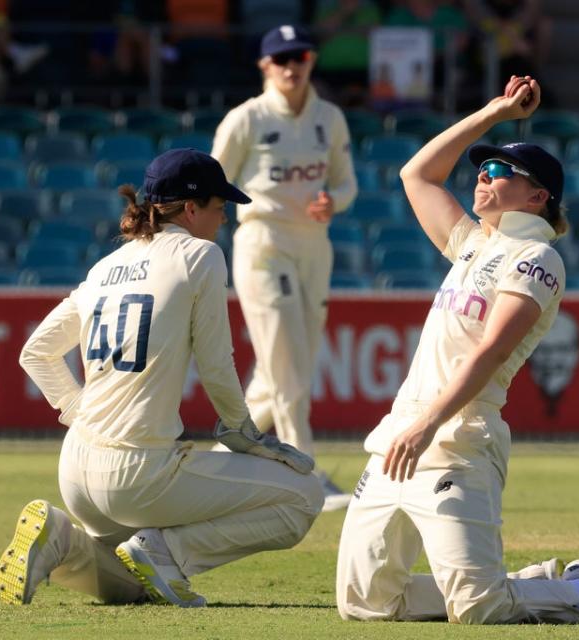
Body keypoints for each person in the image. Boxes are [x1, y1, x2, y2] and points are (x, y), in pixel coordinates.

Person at [335, 75, 579, 625]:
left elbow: (491, 351)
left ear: (538, 196)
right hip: (400, 434)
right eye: (482, 168)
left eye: (497, 171)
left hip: (458, 439)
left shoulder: (538, 257)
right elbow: (416, 174)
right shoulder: (472, 244)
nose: (482, 176)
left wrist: (428, 425)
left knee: (478, 608)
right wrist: (493, 113)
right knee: (365, 603)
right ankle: (523, 583)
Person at [0, 149, 324, 608]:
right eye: (219, 208)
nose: (223, 220)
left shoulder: (103, 268)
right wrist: (242, 433)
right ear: (191, 209)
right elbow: (217, 364)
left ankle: (62, 540)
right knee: (305, 496)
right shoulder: (200, 255)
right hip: (140, 475)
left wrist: (78, 412)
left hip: (75, 473)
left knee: (133, 584)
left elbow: (37, 353)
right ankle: (170, 553)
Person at [211, 24, 358, 511]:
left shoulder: (330, 119)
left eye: (299, 57)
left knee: (279, 377)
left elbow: (347, 185)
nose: (291, 67)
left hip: (314, 245)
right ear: (264, 66)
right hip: (263, 241)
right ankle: (306, 474)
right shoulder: (246, 120)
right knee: (289, 364)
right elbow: (213, 181)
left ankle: (213, 466)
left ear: (312, 60)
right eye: (281, 59)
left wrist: (331, 202)